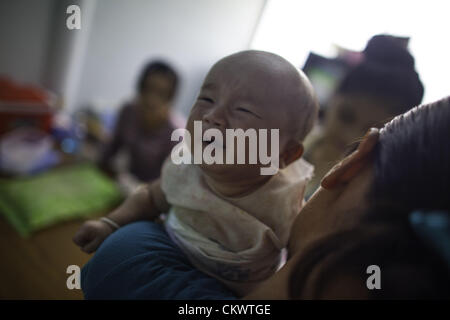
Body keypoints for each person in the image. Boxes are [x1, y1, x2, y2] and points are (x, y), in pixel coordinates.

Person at [74, 50, 319, 297]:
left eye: (243, 110)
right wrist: (110, 223)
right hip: (169, 255)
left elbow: (302, 262)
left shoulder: (286, 202)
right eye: (207, 99)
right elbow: (150, 196)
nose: (213, 116)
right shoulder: (186, 167)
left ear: (284, 155)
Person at [304, 34, 424, 197]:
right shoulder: (285, 146)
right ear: (333, 99)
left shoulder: (373, 199)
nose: (350, 136)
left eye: (373, 132)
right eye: (345, 117)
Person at [98, 61, 179, 183]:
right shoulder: (129, 111)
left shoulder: (175, 134)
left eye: (161, 94)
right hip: (123, 182)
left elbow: (167, 181)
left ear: (170, 98)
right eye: (148, 89)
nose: (151, 100)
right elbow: (112, 148)